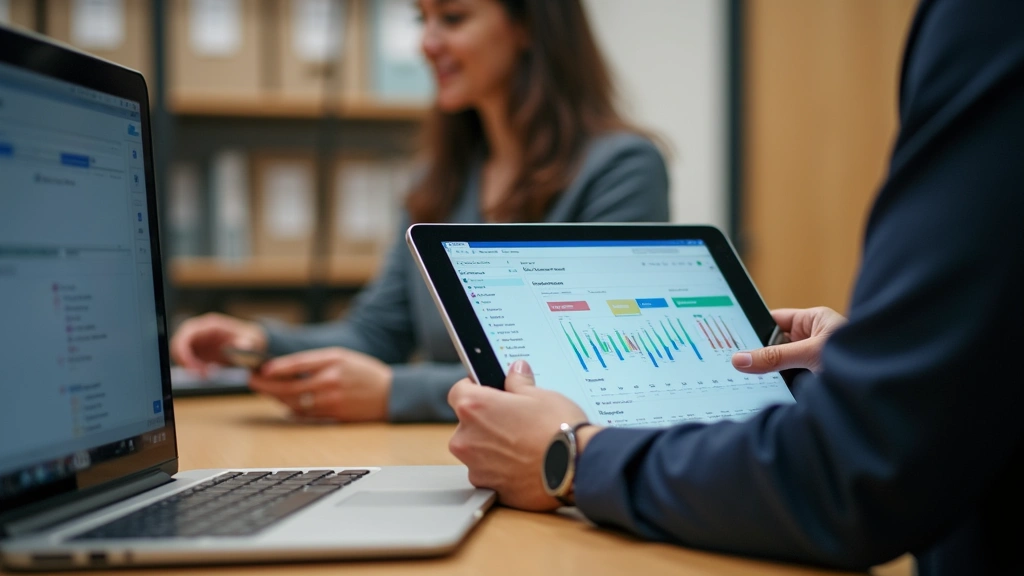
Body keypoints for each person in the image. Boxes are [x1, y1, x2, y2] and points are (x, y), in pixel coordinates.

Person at [444, 0, 1024, 573]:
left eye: (451, 17)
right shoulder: (446, 175)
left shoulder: (990, 21)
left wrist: (569, 455)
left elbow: (854, 471)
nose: (427, 41)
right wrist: (880, 367)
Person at [170, 0, 670, 423]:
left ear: (527, 25)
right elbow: (375, 333)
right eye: (421, 20)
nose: (427, 44)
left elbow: (591, 370)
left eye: (452, 18)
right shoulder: (436, 182)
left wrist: (393, 392)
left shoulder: (622, 168)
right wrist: (259, 340)